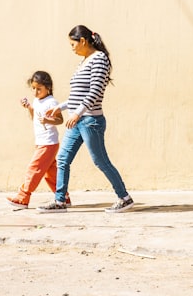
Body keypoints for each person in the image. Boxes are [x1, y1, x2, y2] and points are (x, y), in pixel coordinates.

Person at [39, 25, 134, 213]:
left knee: (100, 160)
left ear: (83, 41)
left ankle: (124, 198)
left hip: (90, 121)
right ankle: (60, 201)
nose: (71, 48)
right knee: (63, 159)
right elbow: (78, 94)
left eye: (72, 44)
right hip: (78, 120)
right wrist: (61, 106)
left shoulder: (99, 59)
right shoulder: (84, 61)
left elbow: (95, 91)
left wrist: (77, 113)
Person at [7, 71, 70, 209]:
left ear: (48, 88)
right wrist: (29, 107)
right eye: (33, 88)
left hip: (48, 143)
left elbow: (60, 120)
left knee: (34, 169)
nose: (35, 92)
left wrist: (48, 119)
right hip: (41, 142)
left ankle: (23, 197)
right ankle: (64, 196)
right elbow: (34, 116)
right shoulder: (37, 101)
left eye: (39, 89)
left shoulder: (51, 102)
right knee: (50, 173)